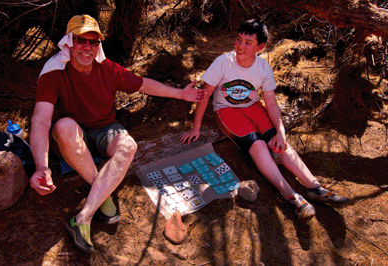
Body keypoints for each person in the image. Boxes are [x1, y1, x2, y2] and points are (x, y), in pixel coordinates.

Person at [29, 14, 205, 254]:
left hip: (104, 129)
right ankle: (104, 194)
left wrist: (180, 94)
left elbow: (142, 84)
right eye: (81, 40)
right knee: (64, 126)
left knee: (128, 146)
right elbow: (40, 120)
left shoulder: (106, 68)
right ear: (68, 42)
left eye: (94, 42)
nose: (87, 47)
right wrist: (42, 166)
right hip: (72, 136)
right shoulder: (54, 72)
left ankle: (84, 217)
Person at [180, 19, 350, 222]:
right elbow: (204, 95)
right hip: (227, 110)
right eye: (238, 40)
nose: (240, 46)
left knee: (278, 144)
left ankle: (315, 187)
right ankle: (293, 197)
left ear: (260, 47)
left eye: (247, 43)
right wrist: (196, 127)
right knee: (259, 145)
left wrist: (281, 132)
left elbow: (270, 104)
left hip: (253, 108)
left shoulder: (263, 67)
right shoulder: (223, 62)